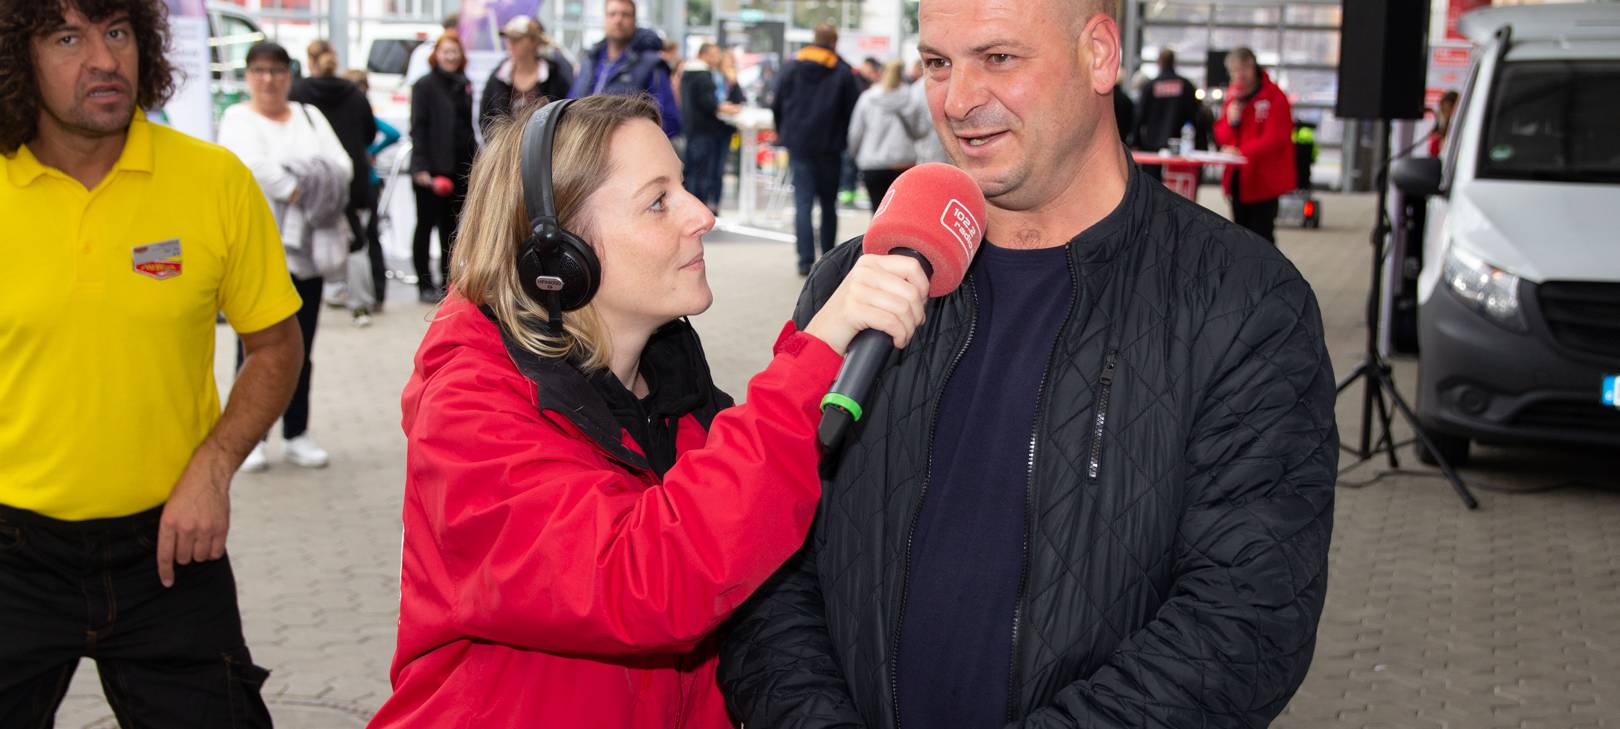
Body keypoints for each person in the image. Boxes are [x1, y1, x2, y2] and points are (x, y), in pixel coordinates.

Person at [720, 1, 1337, 728]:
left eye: (999, 59)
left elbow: (1244, 623)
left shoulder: (1243, 302)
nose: (958, 100)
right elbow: (764, 555)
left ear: (1100, 54)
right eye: (937, 63)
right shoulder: (857, 285)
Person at [366, 95, 931, 728]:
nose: (703, 215)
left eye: (684, 187)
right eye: (659, 201)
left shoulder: (680, 403)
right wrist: (816, 354)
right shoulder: (469, 411)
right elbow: (643, 580)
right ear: (558, 255)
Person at [0, 1, 304, 725]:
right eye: (67, 37)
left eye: (117, 32)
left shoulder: (213, 180)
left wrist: (215, 465)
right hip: (10, 554)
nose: (103, 60)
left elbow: (276, 343)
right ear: (19, 60)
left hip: (170, 547)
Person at [219, 41, 353, 471]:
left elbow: (342, 166)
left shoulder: (309, 116)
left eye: (276, 70)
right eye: (259, 70)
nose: (268, 79)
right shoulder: (237, 118)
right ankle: (250, 437)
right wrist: (304, 184)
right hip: (255, 253)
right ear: (247, 76)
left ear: (289, 75)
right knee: (253, 349)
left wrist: (300, 180)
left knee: (301, 346)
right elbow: (254, 166)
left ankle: (297, 433)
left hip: (307, 253)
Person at [292, 38, 379, 325]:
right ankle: (361, 306)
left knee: (302, 240)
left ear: (310, 61)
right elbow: (369, 134)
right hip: (350, 177)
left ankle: (305, 306)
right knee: (355, 242)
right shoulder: (355, 94)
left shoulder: (298, 93)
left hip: (311, 182)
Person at [773, 22, 860, 276]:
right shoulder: (842, 72)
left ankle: (804, 259)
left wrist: (784, 132)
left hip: (799, 144)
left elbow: (777, 103)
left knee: (802, 202)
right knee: (828, 204)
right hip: (830, 147)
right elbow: (852, 110)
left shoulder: (791, 67)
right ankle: (830, 261)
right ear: (834, 41)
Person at [409, 32, 477, 303]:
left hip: (458, 167)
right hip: (431, 170)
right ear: (436, 55)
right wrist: (421, 168)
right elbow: (418, 128)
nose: (450, 56)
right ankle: (424, 283)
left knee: (452, 229)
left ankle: (448, 280)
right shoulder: (423, 86)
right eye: (445, 51)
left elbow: (467, 128)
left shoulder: (464, 85)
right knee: (425, 225)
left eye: (454, 51)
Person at [1213, 47, 1296, 244]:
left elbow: (1276, 138)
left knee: (1262, 237)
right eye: (1234, 71)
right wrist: (1232, 121)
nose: (1238, 76)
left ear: (1252, 67)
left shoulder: (1274, 96)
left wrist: (1241, 152)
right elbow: (1221, 135)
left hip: (1263, 181)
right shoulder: (1233, 98)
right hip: (1238, 179)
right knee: (1241, 237)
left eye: (1242, 69)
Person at [569, 0, 681, 138]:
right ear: (604, 19)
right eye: (612, 14)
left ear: (634, 20)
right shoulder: (589, 61)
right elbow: (570, 106)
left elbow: (669, 121)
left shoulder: (650, 64)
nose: (618, 20)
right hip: (582, 148)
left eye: (625, 14)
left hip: (626, 153)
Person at [344, 68, 402, 316]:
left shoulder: (356, 114)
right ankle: (375, 292)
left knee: (364, 238)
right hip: (367, 181)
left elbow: (393, 133)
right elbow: (392, 134)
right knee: (370, 237)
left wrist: (372, 150)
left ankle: (373, 291)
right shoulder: (365, 113)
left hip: (363, 182)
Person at [848, 59, 923, 208]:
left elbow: (855, 132)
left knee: (877, 211)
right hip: (903, 164)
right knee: (898, 213)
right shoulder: (911, 98)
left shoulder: (868, 98)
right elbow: (920, 131)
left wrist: (854, 155)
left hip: (872, 163)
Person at [480, 15, 571, 139]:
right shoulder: (498, 77)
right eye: (508, 39)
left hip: (544, 150)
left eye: (517, 39)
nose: (510, 44)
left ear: (533, 41)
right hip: (505, 151)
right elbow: (485, 118)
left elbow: (565, 115)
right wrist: (497, 146)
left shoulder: (554, 77)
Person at [680, 41, 742, 213]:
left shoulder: (688, 73)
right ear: (704, 54)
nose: (717, 58)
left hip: (693, 129)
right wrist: (723, 108)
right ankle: (698, 209)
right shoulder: (702, 75)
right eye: (714, 54)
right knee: (702, 172)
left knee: (694, 171)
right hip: (705, 131)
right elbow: (709, 103)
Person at [1134, 48, 1204, 179]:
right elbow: (1196, 116)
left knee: (1152, 184)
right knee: (1176, 184)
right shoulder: (1185, 85)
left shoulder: (1150, 86)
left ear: (1159, 63)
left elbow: (1140, 116)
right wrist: (1200, 144)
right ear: (1173, 62)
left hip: (1152, 144)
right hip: (1179, 145)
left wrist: (1136, 141)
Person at [1428, 89, 1459, 157]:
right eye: (1444, 110)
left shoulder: (1463, 132)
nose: (1448, 114)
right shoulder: (1436, 136)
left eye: (1451, 108)